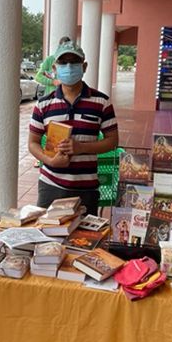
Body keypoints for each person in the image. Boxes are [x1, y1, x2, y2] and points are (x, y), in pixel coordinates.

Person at [28, 41, 119, 215]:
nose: (68, 67)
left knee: (83, 240)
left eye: (74, 62)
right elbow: (33, 143)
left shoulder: (101, 102)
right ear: (54, 67)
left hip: (86, 188)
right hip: (50, 186)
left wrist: (81, 148)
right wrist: (49, 161)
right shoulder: (43, 104)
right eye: (63, 62)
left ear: (84, 67)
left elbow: (112, 141)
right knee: (48, 239)